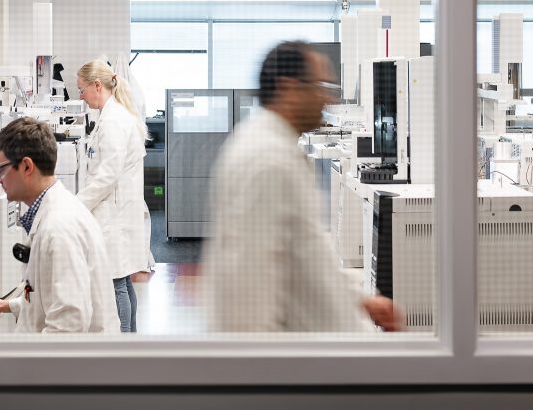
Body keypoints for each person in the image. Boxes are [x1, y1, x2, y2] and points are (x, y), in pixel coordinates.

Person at [202, 41, 405, 333]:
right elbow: (247, 294)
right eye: (320, 86)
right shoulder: (267, 161)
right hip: (297, 367)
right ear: (288, 87)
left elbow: (305, 256)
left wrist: (360, 300)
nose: (327, 98)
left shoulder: (277, 147)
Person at [0, 117, 119, 334]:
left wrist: (22, 366)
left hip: (70, 367)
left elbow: (69, 325)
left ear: (27, 166)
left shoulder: (59, 228)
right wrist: (4, 305)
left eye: (0, 170)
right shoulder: (56, 211)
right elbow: (49, 297)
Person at [75, 60, 153, 333]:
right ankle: (129, 339)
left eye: (82, 91)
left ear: (98, 85)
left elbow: (107, 176)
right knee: (122, 281)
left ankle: (123, 340)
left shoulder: (114, 121)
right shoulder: (112, 117)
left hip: (115, 215)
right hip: (118, 211)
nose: (81, 98)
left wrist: (77, 205)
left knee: (116, 282)